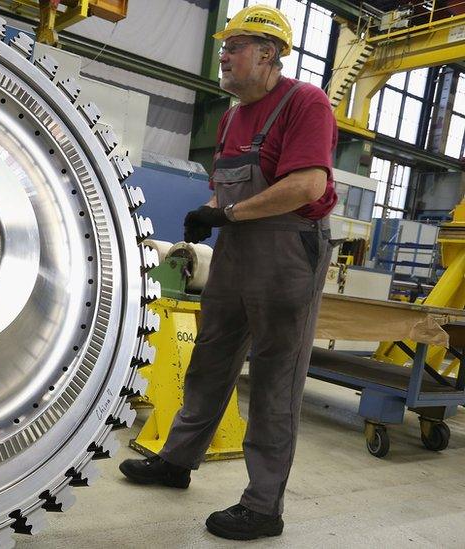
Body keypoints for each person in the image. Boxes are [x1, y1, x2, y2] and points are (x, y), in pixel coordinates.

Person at [118, 5, 338, 541]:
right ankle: (176, 462)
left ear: (269, 54)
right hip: (237, 249)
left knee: (273, 379)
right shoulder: (232, 115)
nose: (223, 54)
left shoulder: (304, 102)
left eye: (235, 46)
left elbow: (308, 185)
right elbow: (230, 184)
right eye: (224, 45)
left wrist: (228, 214)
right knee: (210, 361)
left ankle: (263, 506)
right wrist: (212, 208)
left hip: (287, 252)